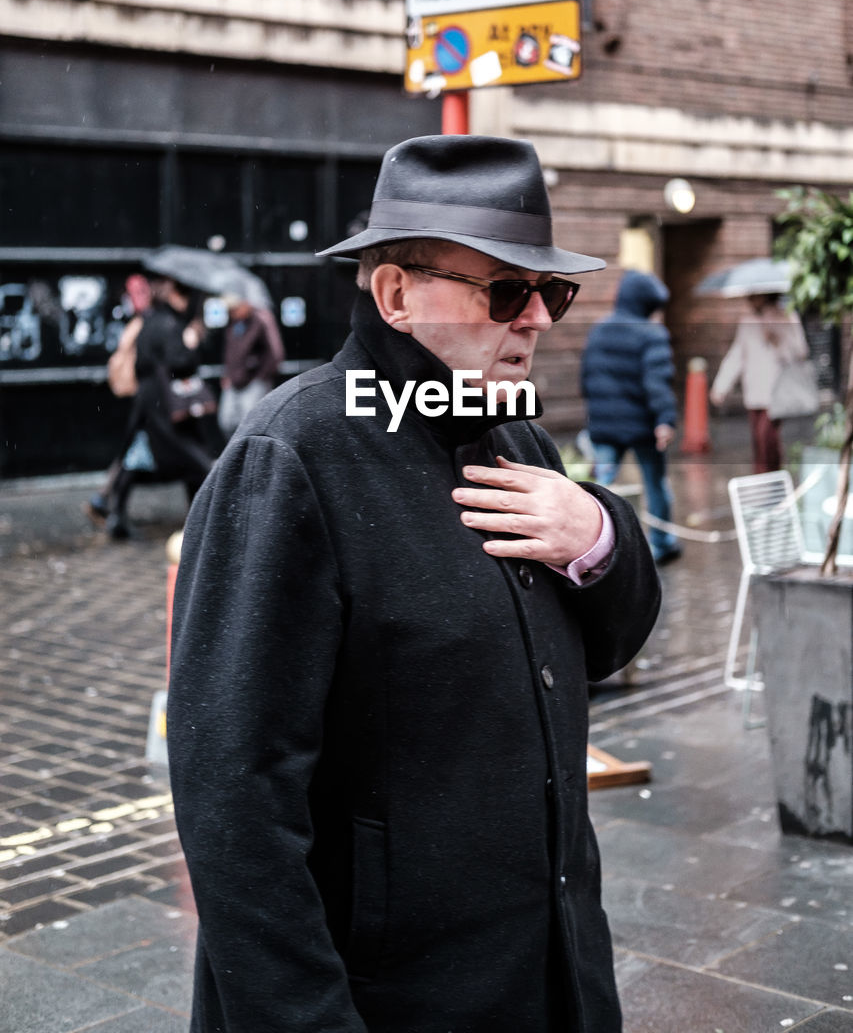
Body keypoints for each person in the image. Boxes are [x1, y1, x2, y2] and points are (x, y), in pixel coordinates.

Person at [168, 135, 661, 1033]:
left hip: (549, 975)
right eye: (508, 290)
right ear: (396, 294)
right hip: (396, 998)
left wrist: (598, 534)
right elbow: (234, 802)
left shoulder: (516, 432)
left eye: (550, 292)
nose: (538, 320)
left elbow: (613, 643)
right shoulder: (294, 456)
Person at [105, 275, 222, 538]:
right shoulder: (172, 325)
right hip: (166, 406)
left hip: (149, 404)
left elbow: (142, 362)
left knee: (137, 459)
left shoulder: (150, 321)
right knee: (194, 459)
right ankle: (203, 515)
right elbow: (181, 363)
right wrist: (191, 342)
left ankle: (115, 513)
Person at [580, 269, 681, 566]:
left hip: (605, 426)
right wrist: (665, 420)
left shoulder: (598, 330)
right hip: (642, 428)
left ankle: (597, 549)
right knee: (655, 484)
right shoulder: (652, 334)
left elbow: (586, 378)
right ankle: (661, 543)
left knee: (603, 486)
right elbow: (657, 382)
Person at [710, 291, 810, 473]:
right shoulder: (748, 321)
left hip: (776, 392)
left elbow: (800, 352)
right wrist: (721, 386)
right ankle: (763, 483)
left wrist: (778, 340)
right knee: (758, 442)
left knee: (768, 440)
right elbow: (737, 354)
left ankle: (771, 483)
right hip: (753, 391)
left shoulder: (786, 316)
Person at [85, 273, 152, 528]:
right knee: (131, 454)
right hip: (141, 397)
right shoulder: (141, 324)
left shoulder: (135, 323)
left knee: (130, 452)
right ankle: (105, 502)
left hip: (137, 397)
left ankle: (104, 501)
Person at [217, 295, 284, 437]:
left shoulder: (261, 319)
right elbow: (230, 351)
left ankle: (251, 457)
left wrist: (261, 377)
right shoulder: (234, 322)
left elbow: (276, 353)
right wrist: (227, 373)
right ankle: (237, 455)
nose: (232, 313)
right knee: (227, 421)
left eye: (235, 309)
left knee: (252, 424)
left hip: (254, 380)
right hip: (234, 380)